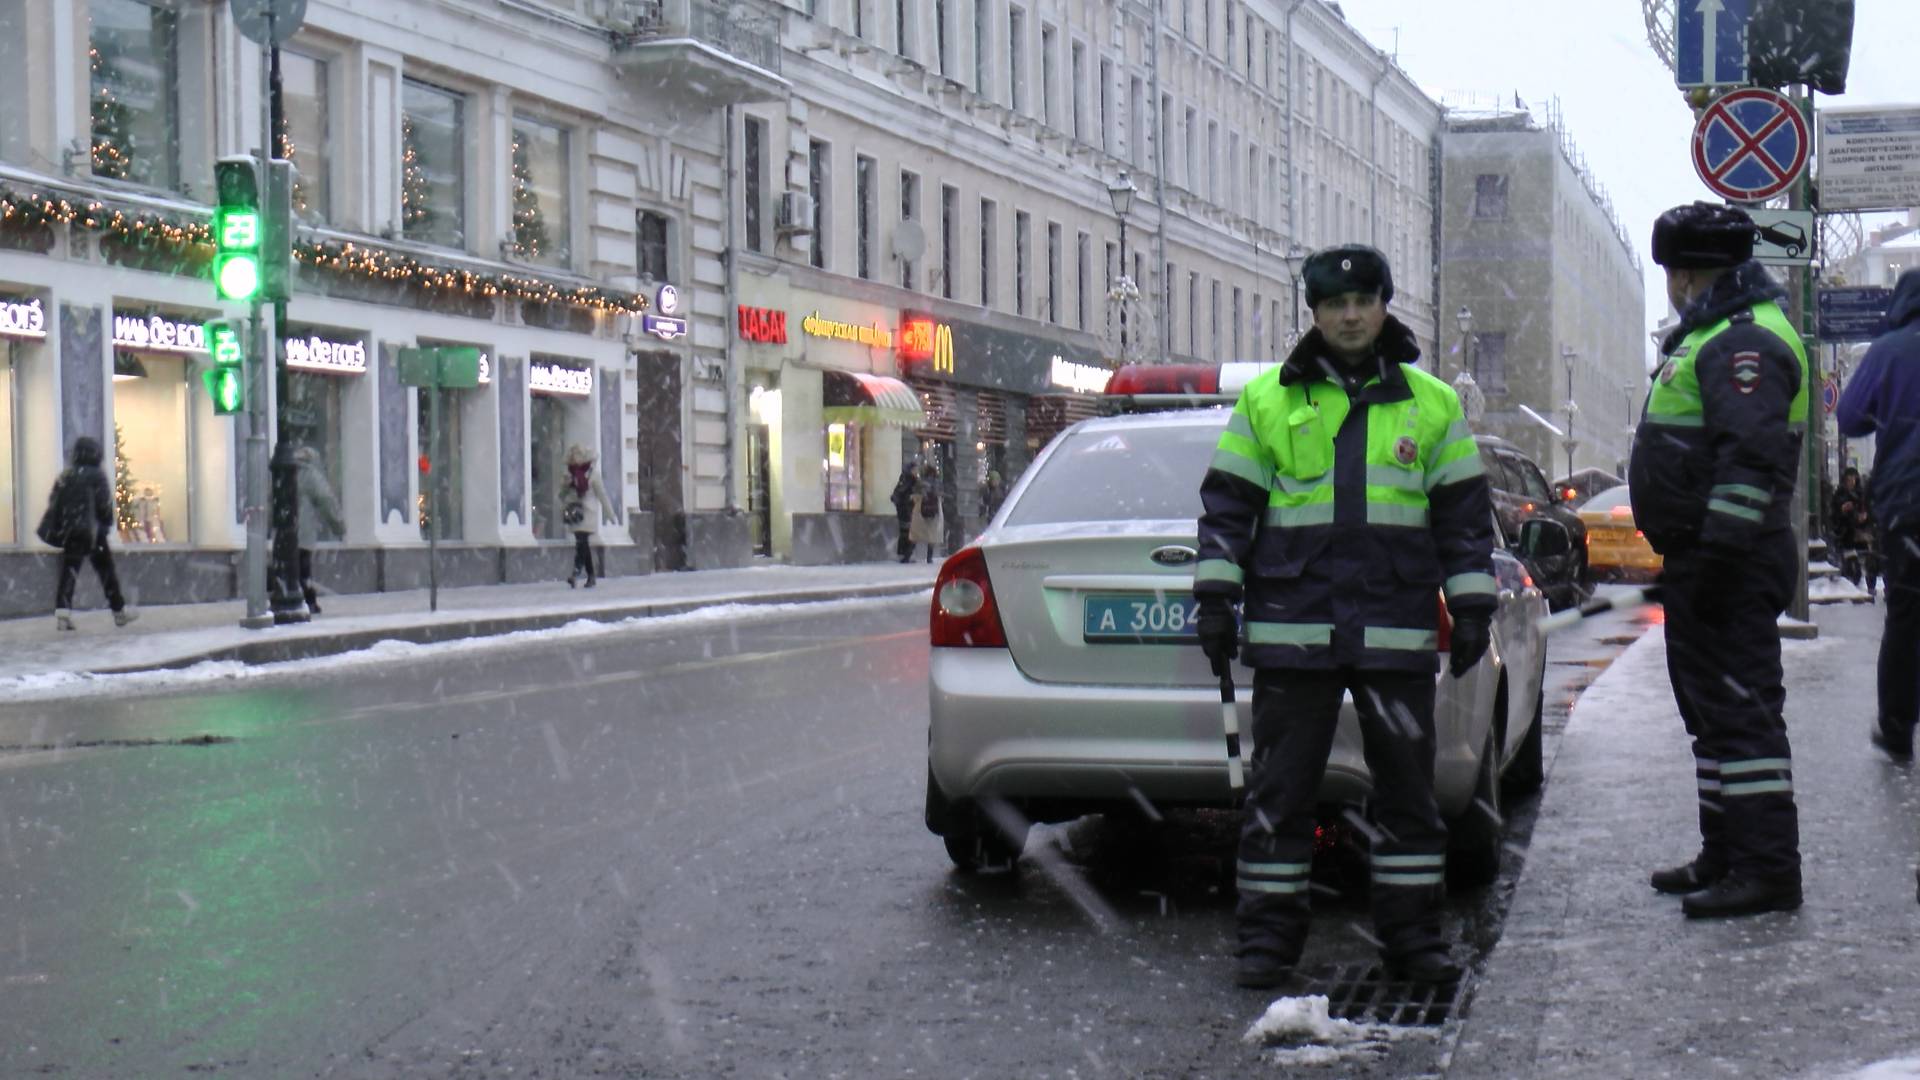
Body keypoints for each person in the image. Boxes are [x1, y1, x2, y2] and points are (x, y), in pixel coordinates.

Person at [1193, 244, 1496, 989]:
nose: (1351, 316)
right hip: (1294, 631)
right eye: (1334, 305)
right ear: (1315, 313)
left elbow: (1462, 519)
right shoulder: (1267, 400)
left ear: (1385, 305)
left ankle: (1413, 943)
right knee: (1281, 796)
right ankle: (1266, 945)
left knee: (1408, 800)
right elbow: (1228, 509)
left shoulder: (1433, 404)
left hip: (1394, 629)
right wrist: (1215, 597)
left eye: (1363, 302)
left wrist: (1473, 604)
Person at [1631, 202, 1806, 918]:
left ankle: (1767, 869)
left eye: (1676, 271)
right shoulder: (1713, 334)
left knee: (1742, 718)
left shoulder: (1743, 342)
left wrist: (1722, 555)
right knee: (1711, 715)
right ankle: (1725, 852)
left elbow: (1748, 459)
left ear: (1694, 273)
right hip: (1704, 555)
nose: (1673, 285)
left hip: (1729, 557)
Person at [1837, 266, 1920, 763]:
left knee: (1907, 615)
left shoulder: (1889, 350)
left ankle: (1896, 728)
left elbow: (1849, 417)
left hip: (1908, 502)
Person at [42, 435, 135, 631]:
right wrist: (107, 523)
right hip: (93, 533)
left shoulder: (66, 475)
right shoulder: (97, 475)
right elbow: (104, 504)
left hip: (71, 532)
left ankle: (63, 613)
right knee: (106, 572)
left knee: (69, 572)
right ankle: (119, 612)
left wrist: (65, 525)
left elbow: (54, 502)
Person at [291, 446, 346, 614]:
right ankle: (306, 600)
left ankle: (290, 595)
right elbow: (327, 501)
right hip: (302, 532)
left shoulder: (285, 472)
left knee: (289, 567)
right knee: (302, 568)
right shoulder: (310, 475)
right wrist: (339, 526)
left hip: (283, 533)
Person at [560, 444, 617, 588]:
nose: (575, 460)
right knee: (582, 544)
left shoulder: (593, 474)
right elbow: (561, 495)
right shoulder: (569, 474)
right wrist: (566, 485)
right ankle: (591, 576)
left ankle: (575, 572)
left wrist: (610, 514)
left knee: (581, 542)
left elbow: (602, 494)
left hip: (589, 513)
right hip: (575, 512)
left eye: (577, 457)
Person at [1827, 466, 1877, 595]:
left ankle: (1870, 584)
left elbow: (1870, 511)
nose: (1851, 482)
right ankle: (1852, 581)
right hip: (1847, 534)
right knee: (1852, 562)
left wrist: (1864, 516)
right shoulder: (1839, 495)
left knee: (1871, 561)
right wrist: (1843, 511)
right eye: (1848, 480)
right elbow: (1834, 516)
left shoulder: (1862, 495)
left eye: (1853, 479)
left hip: (1862, 534)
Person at [906, 465, 941, 564]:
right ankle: (929, 558)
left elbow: (915, 495)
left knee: (915, 534)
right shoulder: (937, 482)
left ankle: (908, 555)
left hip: (920, 510)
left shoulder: (920, 482)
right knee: (931, 536)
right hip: (934, 512)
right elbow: (940, 495)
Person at [892, 464, 918, 563]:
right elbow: (904, 494)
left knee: (905, 533)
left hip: (904, 510)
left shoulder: (904, 480)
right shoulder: (910, 481)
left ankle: (904, 554)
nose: (916, 471)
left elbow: (897, 495)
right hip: (907, 510)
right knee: (910, 534)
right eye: (915, 469)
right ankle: (906, 555)